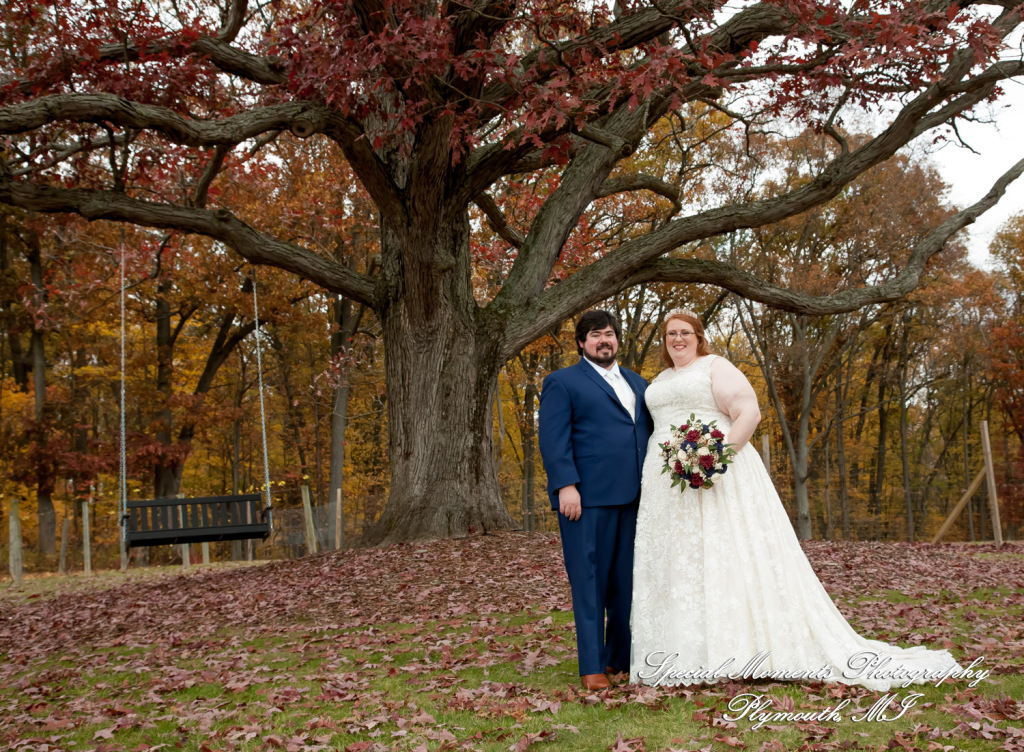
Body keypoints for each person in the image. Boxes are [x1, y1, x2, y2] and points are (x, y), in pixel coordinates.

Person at [630, 310, 961, 691]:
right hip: (668, 485)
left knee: (724, 554)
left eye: (685, 332)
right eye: (671, 333)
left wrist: (714, 459)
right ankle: (681, 655)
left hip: (718, 474)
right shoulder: (659, 379)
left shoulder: (715, 367)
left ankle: (738, 651)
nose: (677, 339)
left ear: (699, 336)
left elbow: (748, 413)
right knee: (680, 561)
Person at [539, 310, 654, 691]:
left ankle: (618, 660)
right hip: (586, 500)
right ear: (581, 342)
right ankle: (591, 667)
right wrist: (565, 485)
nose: (604, 341)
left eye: (609, 334)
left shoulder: (639, 383)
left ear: (618, 340)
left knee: (627, 584)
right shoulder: (562, 382)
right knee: (589, 583)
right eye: (595, 335)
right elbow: (553, 439)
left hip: (636, 499)